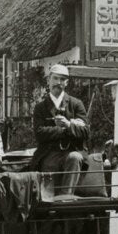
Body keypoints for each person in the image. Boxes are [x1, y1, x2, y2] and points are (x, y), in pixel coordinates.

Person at [26, 63, 89, 198]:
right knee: (48, 166)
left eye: (62, 80)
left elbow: (85, 132)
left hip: (71, 151)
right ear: (49, 80)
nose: (58, 83)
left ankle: (66, 198)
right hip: (49, 153)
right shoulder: (40, 108)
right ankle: (48, 202)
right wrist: (67, 128)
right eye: (55, 78)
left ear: (66, 83)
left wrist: (67, 124)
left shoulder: (76, 104)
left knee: (75, 158)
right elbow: (40, 133)